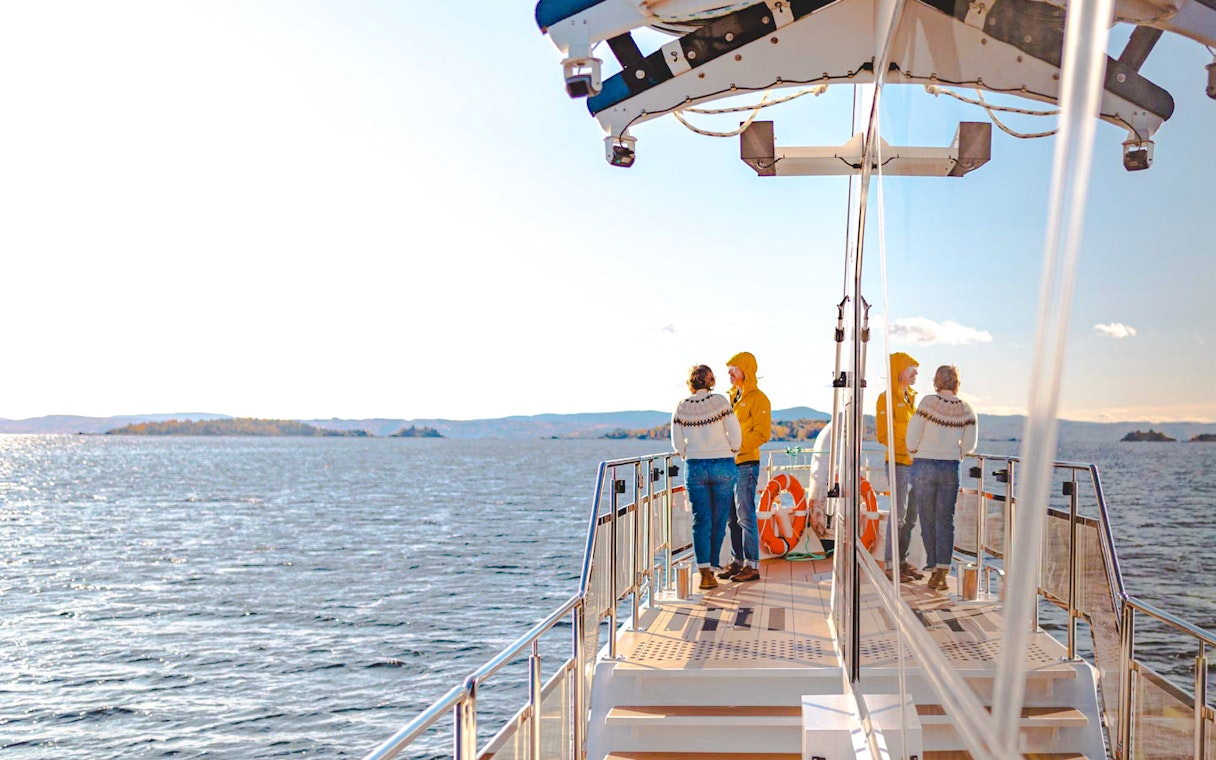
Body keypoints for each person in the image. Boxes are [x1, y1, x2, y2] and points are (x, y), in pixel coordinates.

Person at [906, 365, 979, 592]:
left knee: (927, 518)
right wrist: (956, 455)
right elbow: (970, 444)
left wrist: (913, 452)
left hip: (924, 464)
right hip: (950, 466)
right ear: (957, 382)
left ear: (937, 381)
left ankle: (934, 568)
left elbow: (912, 433)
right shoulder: (966, 409)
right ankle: (943, 572)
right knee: (946, 519)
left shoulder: (927, 403)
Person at [671, 364, 742, 590]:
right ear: (710, 381)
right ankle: (713, 566)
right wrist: (733, 451)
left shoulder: (681, 407)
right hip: (723, 464)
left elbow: (676, 442)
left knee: (701, 520)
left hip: (695, 467)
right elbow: (735, 432)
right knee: (720, 519)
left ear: (691, 382)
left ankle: (704, 574)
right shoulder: (721, 401)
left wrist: (688, 455)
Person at [718, 352, 772, 583]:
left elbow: (762, 433)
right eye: (729, 368)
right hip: (728, 465)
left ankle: (753, 565)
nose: (729, 373)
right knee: (731, 517)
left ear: (746, 371)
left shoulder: (759, 399)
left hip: (746, 464)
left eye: (734, 368)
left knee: (745, 514)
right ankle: (737, 562)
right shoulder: (730, 398)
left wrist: (736, 448)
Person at [876, 352, 921, 583]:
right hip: (898, 463)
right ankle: (890, 565)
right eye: (911, 368)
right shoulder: (886, 398)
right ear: (899, 370)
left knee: (911, 517)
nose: (915, 373)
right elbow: (884, 435)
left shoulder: (912, 398)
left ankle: (902, 562)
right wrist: (908, 449)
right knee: (899, 515)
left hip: (916, 465)